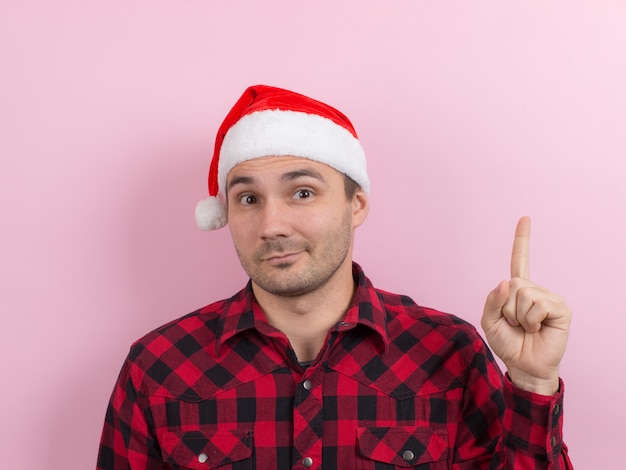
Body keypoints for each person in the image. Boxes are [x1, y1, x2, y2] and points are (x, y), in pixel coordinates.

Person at [97, 85, 572, 469]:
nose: (272, 225)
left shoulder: (450, 353)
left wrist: (533, 381)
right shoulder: (157, 368)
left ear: (356, 204)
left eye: (302, 192)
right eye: (248, 199)